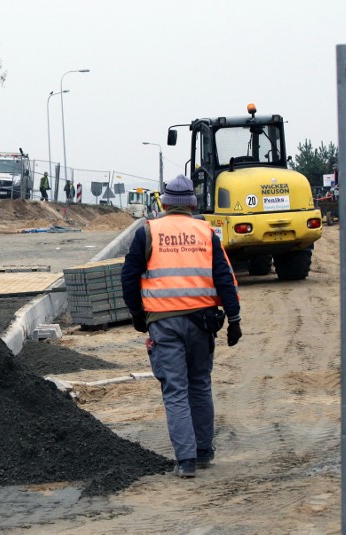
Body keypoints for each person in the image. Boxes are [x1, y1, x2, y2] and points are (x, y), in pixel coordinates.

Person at [120, 174, 242, 479]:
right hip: (202, 322)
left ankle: (186, 461)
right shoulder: (205, 232)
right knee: (200, 384)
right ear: (192, 203)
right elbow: (224, 277)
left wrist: (137, 314)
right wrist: (235, 318)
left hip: (163, 323)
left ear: (164, 202)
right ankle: (203, 452)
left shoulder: (148, 231)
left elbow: (128, 277)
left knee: (175, 390)